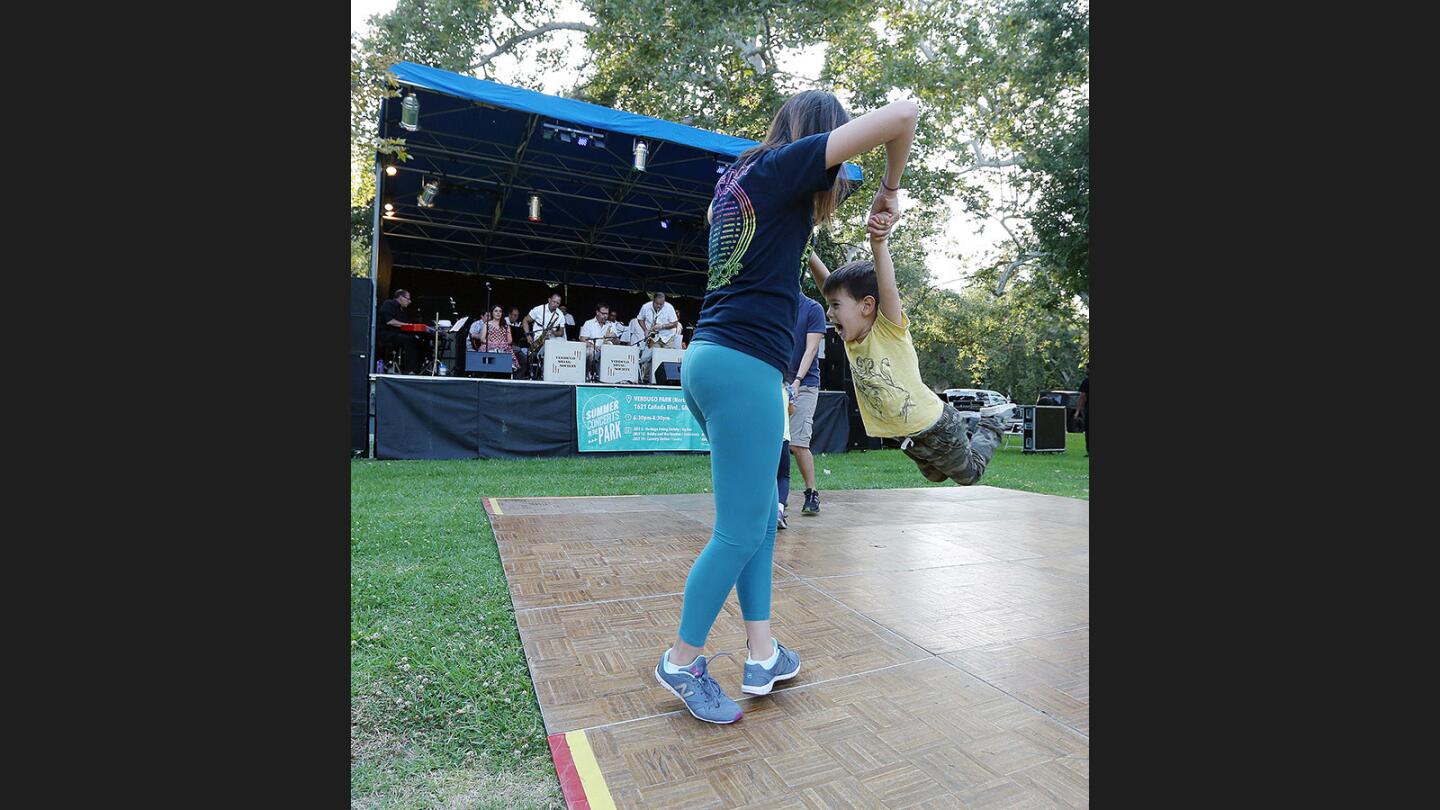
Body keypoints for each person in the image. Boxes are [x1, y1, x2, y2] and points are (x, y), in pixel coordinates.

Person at [653, 89, 920, 724]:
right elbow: (904, 114)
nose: (834, 178)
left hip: (713, 359)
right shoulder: (785, 166)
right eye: (834, 159)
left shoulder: (740, 179)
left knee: (757, 518)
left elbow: (801, 275)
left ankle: (762, 652)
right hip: (743, 368)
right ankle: (682, 660)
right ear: (817, 140)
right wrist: (889, 187)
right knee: (740, 528)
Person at [806, 210, 1013, 488]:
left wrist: (879, 245)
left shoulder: (888, 329)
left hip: (935, 426)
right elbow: (827, 285)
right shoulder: (852, 338)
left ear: (867, 306)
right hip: (909, 437)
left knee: (969, 476)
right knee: (936, 475)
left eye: (835, 306)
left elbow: (887, 286)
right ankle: (971, 426)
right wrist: (805, 249)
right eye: (829, 305)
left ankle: (992, 423)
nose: (829, 312)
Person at [788, 294, 828, 517]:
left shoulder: (813, 309)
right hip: (777, 381)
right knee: (774, 444)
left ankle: (811, 492)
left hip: (804, 384)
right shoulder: (777, 305)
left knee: (798, 444)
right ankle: (773, 498)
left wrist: (797, 381)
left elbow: (811, 349)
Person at [377, 288, 426, 373]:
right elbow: (389, 321)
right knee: (409, 340)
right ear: (400, 297)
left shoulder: (402, 310)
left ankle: (417, 368)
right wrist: (408, 325)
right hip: (387, 334)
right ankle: (410, 370)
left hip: (398, 335)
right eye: (408, 299)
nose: (409, 301)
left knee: (418, 340)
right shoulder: (389, 304)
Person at [523, 292, 567, 377]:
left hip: (551, 338)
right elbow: (525, 320)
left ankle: (556, 371)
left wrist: (553, 332)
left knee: (562, 343)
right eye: (554, 301)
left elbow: (561, 333)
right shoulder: (538, 309)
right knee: (548, 344)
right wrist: (528, 335)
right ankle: (544, 370)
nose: (555, 304)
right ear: (549, 300)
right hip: (538, 337)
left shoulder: (560, 314)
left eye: (557, 303)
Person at [579, 303, 621, 381]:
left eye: (607, 314)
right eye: (603, 313)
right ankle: (587, 374)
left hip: (607, 351)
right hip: (593, 350)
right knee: (589, 352)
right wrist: (594, 346)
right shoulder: (588, 323)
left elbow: (618, 343)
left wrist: (614, 337)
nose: (605, 316)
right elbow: (583, 339)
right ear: (597, 312)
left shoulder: (611, 325)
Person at [506, 307, 530, 378]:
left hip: (516, 346)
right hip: (506, 345)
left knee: (526, 358)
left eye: (517, 315)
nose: (516, 317)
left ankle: (518, 377)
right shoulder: (504, 321)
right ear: (509, 315)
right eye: (514, 315)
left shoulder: (517, 324)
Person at [1076, 368, 1089, 456]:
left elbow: (1083, 396)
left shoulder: (1086, 381)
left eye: (1086, 368)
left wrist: (1078, 410)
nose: (1085, 370)